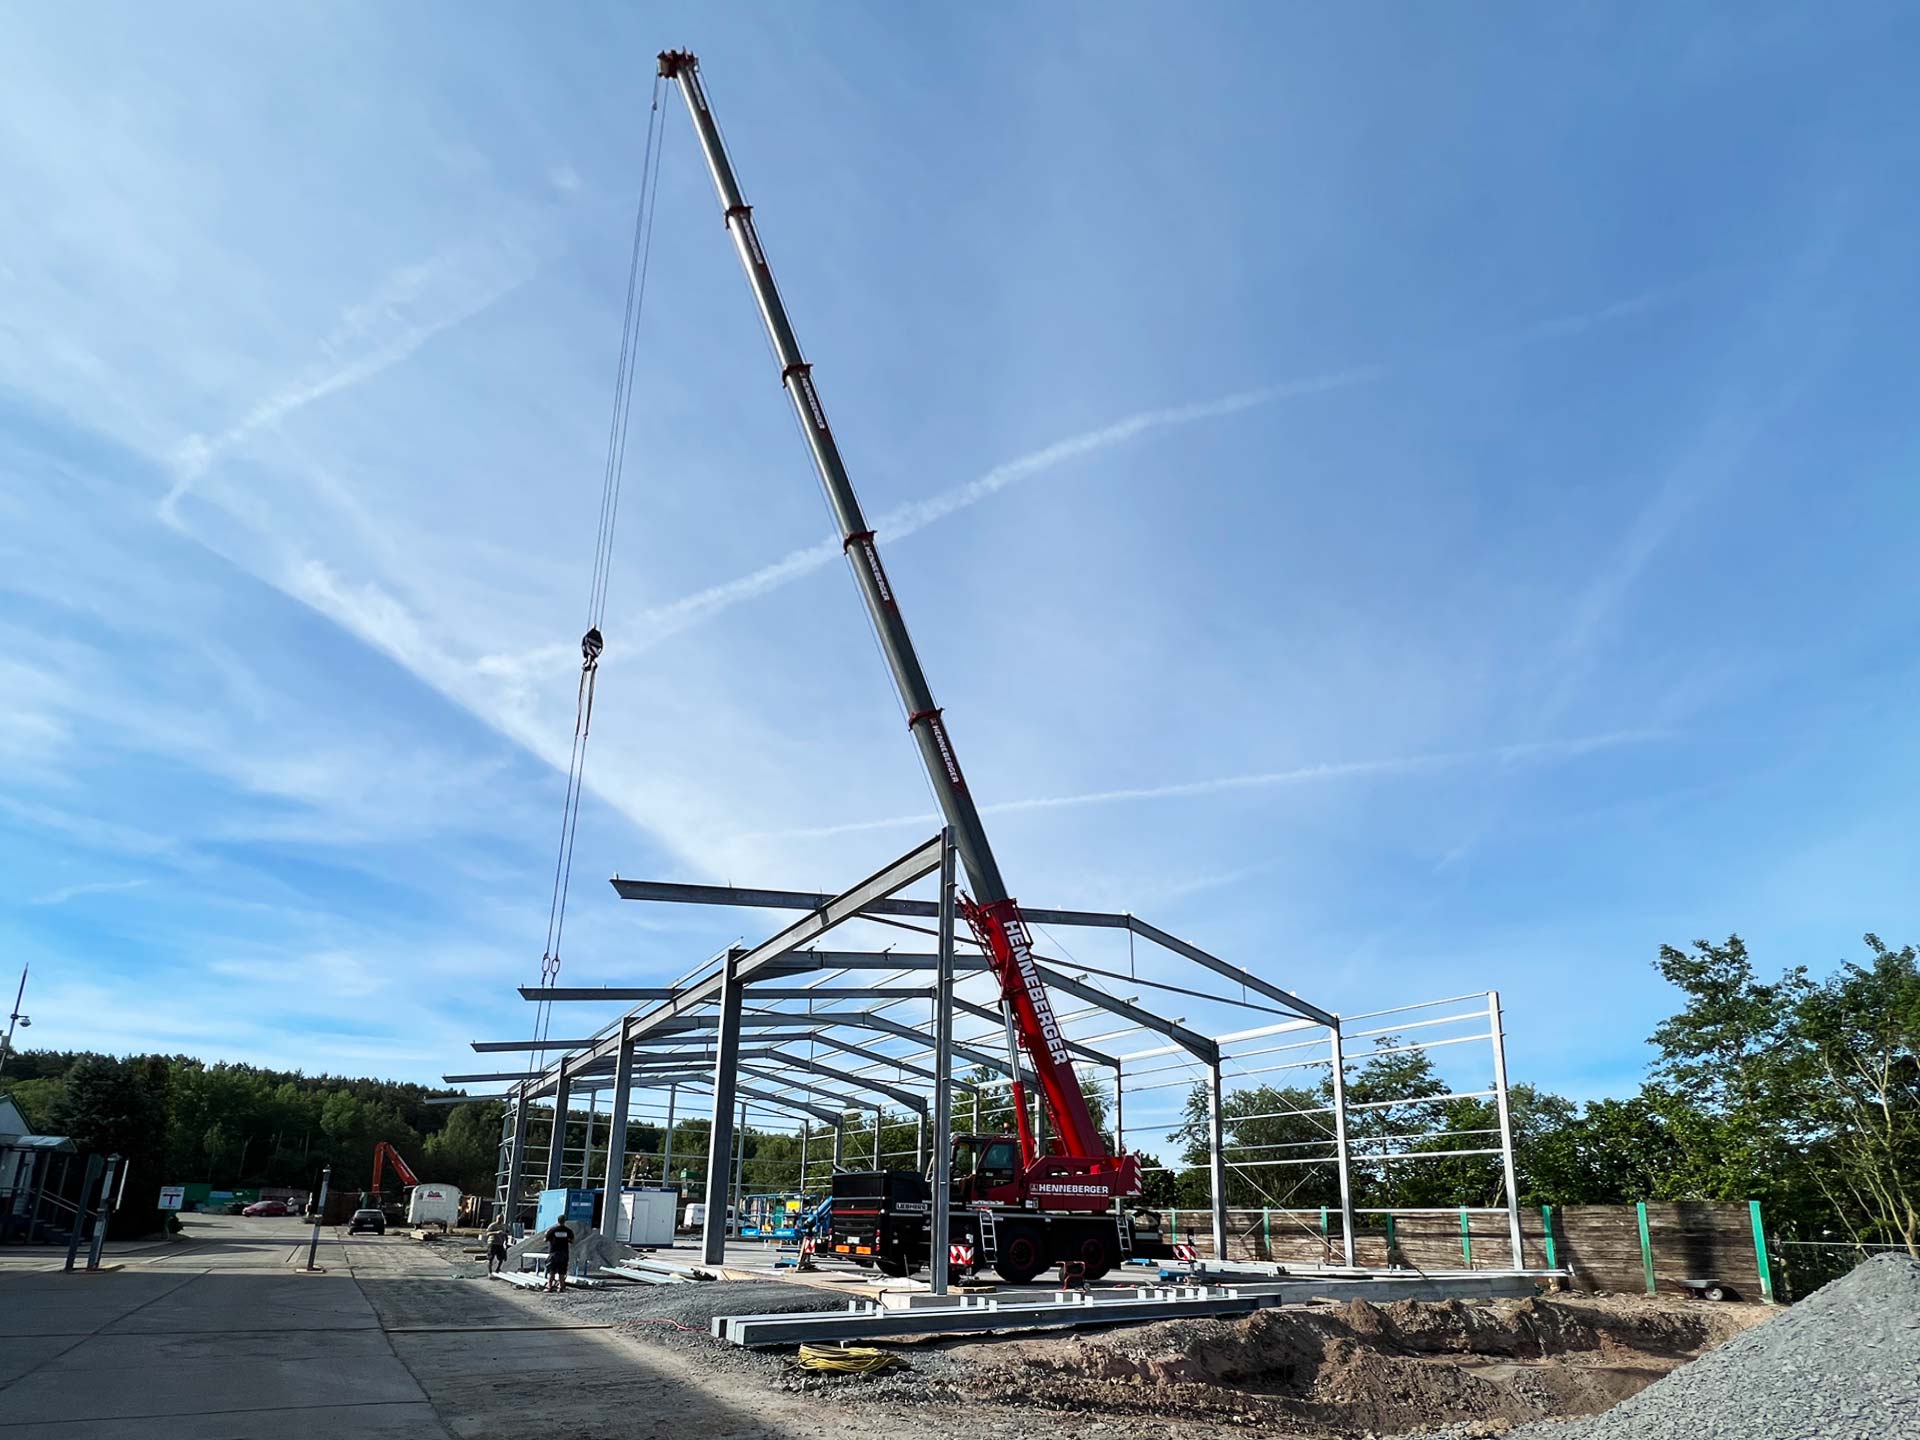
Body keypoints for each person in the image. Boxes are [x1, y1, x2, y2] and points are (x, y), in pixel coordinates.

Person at [542, 1216, 575, 1292]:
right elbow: (572, 1241)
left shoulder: (552, 1230)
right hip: (564, 1253)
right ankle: (561, 1287)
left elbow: (545, 1239)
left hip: (553, 1253)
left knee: (552, 1271)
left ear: (558, 1221)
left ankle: (549, 1286)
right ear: (564, 1221)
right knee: (562, 1272)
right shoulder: (568, 1231)